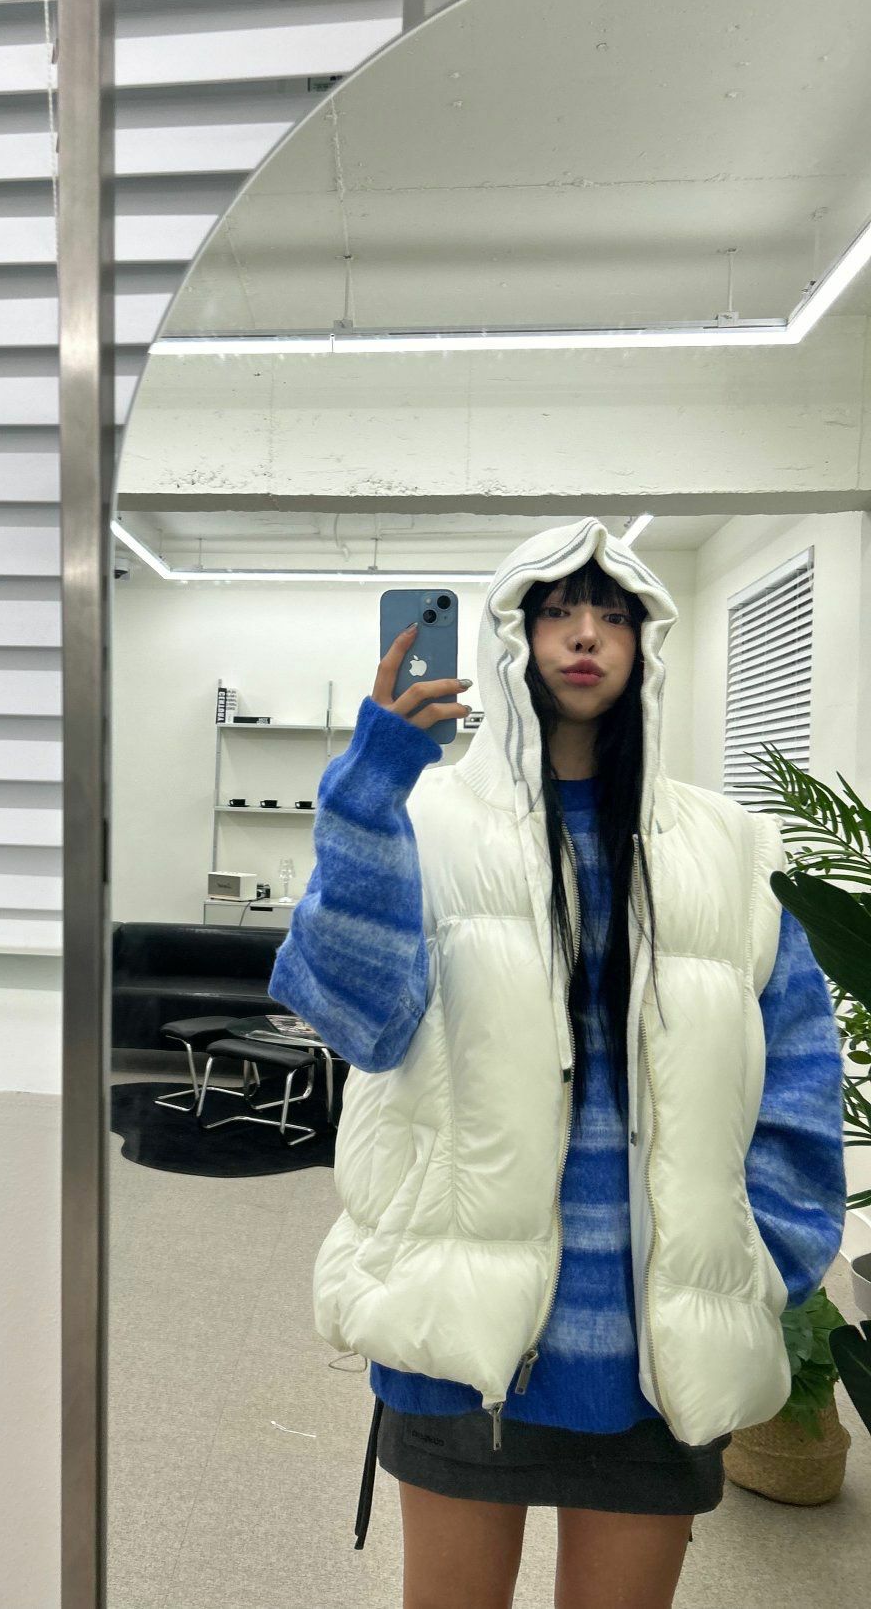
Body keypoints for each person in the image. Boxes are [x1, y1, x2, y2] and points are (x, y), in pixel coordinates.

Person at [267, 517, 846, 1609]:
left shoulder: (727, 845)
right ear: (511, 636)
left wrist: (767, 1255)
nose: (584, 635)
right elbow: (356, 1024)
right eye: (556, 612)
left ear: (644, 642)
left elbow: (800, 1075)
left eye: (612, 614)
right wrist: (363, 797)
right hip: (456, 1321)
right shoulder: (423, 817)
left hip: (657, 1344)